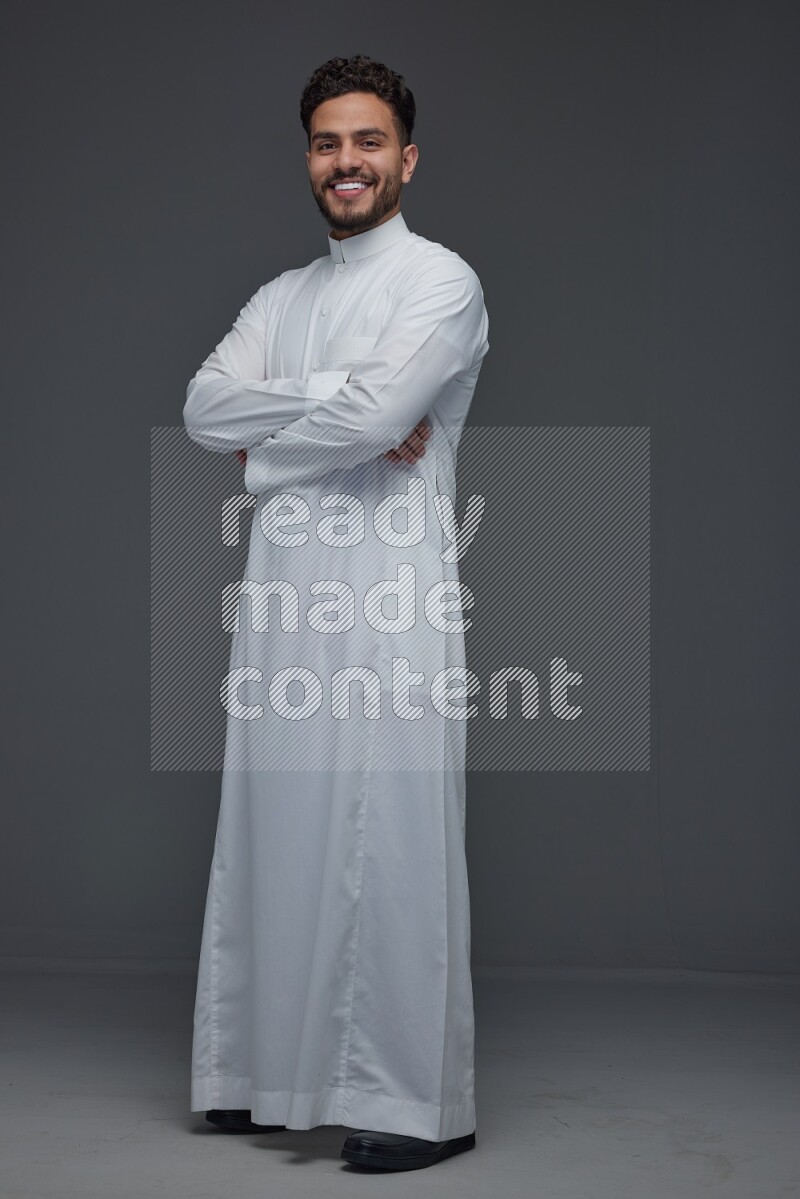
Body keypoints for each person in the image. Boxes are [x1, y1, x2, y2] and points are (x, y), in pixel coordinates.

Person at [183, 53, 489, 1173]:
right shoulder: (281, 297)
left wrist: (271, 451)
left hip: (387, 598)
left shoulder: (442, 281)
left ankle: (416, 1101)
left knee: (387, 833)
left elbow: (383, 412)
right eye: (326, 143)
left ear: (406, 158)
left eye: (367, 142)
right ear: (308, 159)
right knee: (273, 823)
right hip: (281, 600)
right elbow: (204, 406)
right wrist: (332, 402)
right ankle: (255, 1073)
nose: (345, 161)